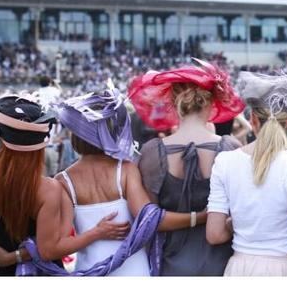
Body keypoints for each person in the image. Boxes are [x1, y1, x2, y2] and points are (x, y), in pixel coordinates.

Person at [50, 88, 217, 275]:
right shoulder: (126, 170)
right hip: (133, 270)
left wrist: (95, 233)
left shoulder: (63, 180)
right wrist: (200, 217)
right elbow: (151, 220)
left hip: (90, 271)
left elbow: (58, 246)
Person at [0, 94, 117, 276]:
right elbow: (49, 250)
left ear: (2, 139)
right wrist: (97, 232)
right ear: (41, 144)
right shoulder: (49, 188)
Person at [132, 58, 245, 275]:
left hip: (170, 264)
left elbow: (149, 219)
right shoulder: (230, 147)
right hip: (221, 263)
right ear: (212, 103)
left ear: (174, 103)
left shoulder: (152, 152)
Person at [206, 71, 287, 276]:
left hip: (240, 268)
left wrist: (243, 219)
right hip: (286, 268)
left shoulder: (225, 162)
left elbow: (215, 234)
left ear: (252, 119)